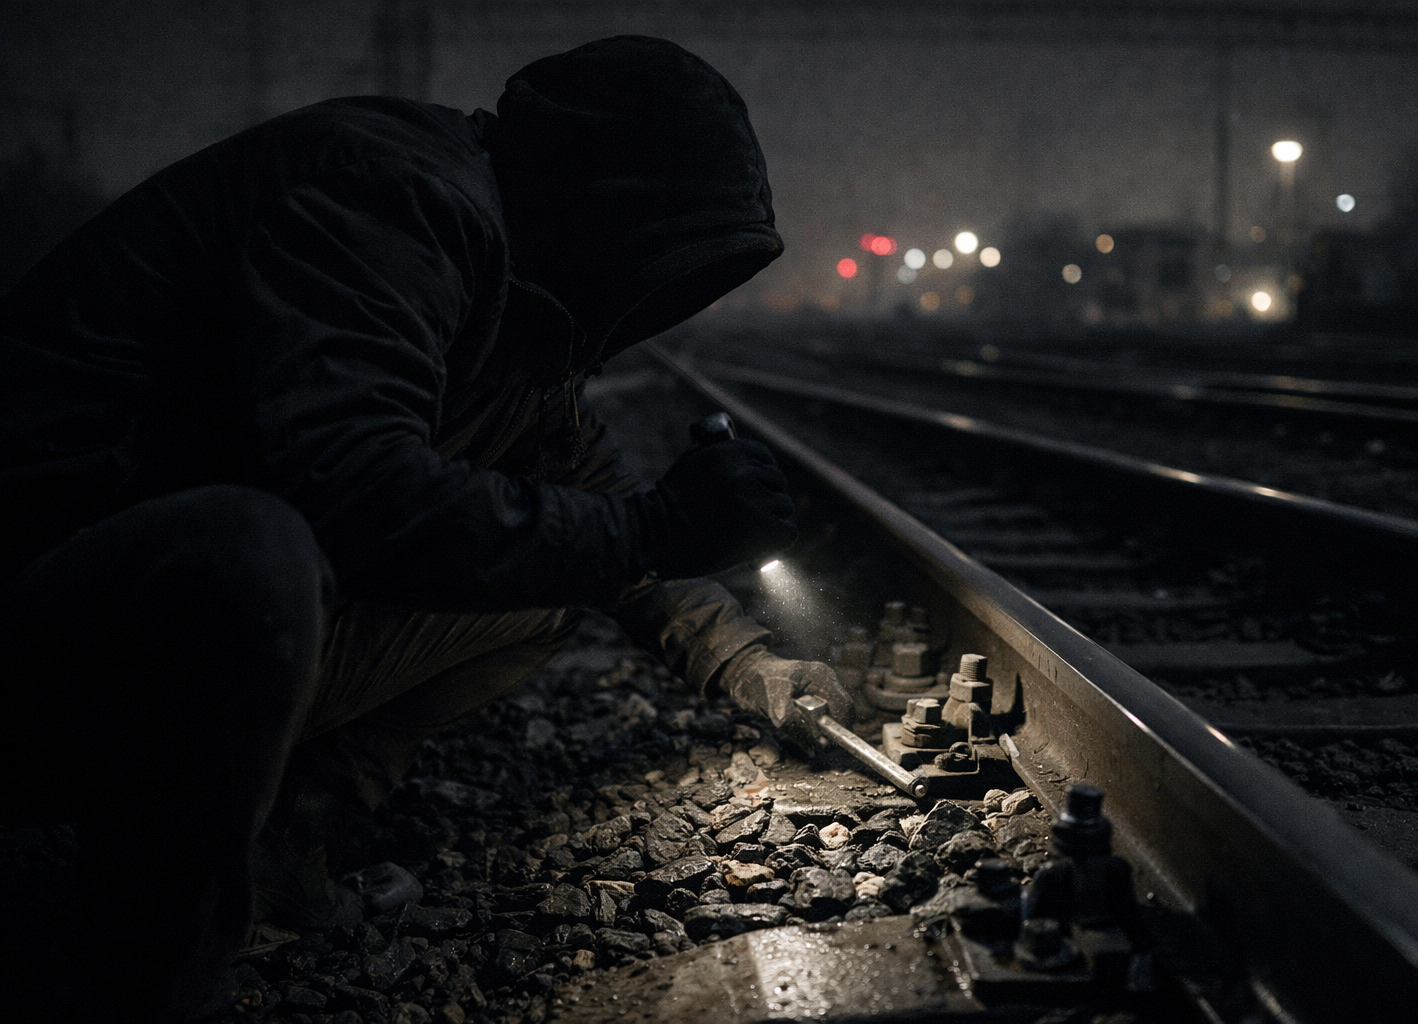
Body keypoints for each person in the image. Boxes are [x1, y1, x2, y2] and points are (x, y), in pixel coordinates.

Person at [0, 36, 853, 1021]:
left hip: (110, 650)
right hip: (34, 630)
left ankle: (273, 864)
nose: (653, 298)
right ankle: (145, 983)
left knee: (554, 577)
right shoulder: (395, 201)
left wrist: (746, 662)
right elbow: (356, 487)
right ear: (602, 205)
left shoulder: (517, 282)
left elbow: (591, 489)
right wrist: (655, 528)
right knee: (249, 557)